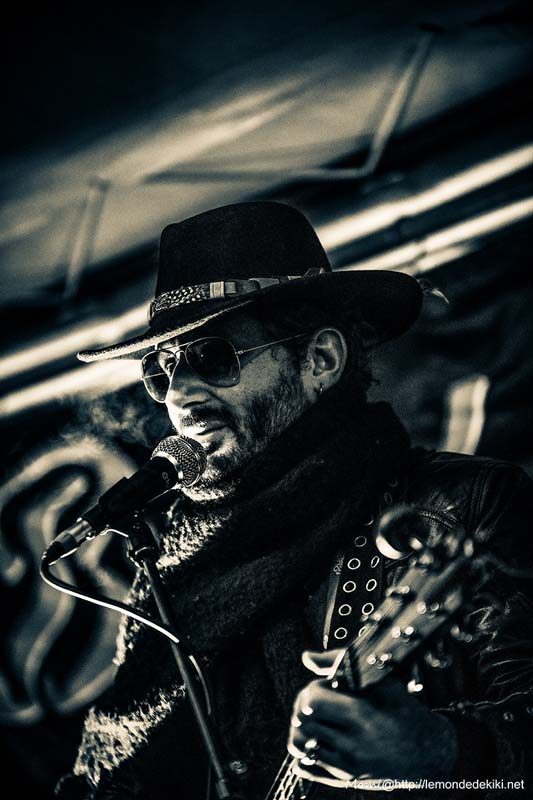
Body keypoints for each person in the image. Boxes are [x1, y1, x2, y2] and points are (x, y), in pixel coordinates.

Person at [56, 202, 533, 800]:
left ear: (320, 360)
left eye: (211, 357)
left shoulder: (462, 508)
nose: (179, 393)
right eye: (163, 369)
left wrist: (444, 753)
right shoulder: (171, 572)